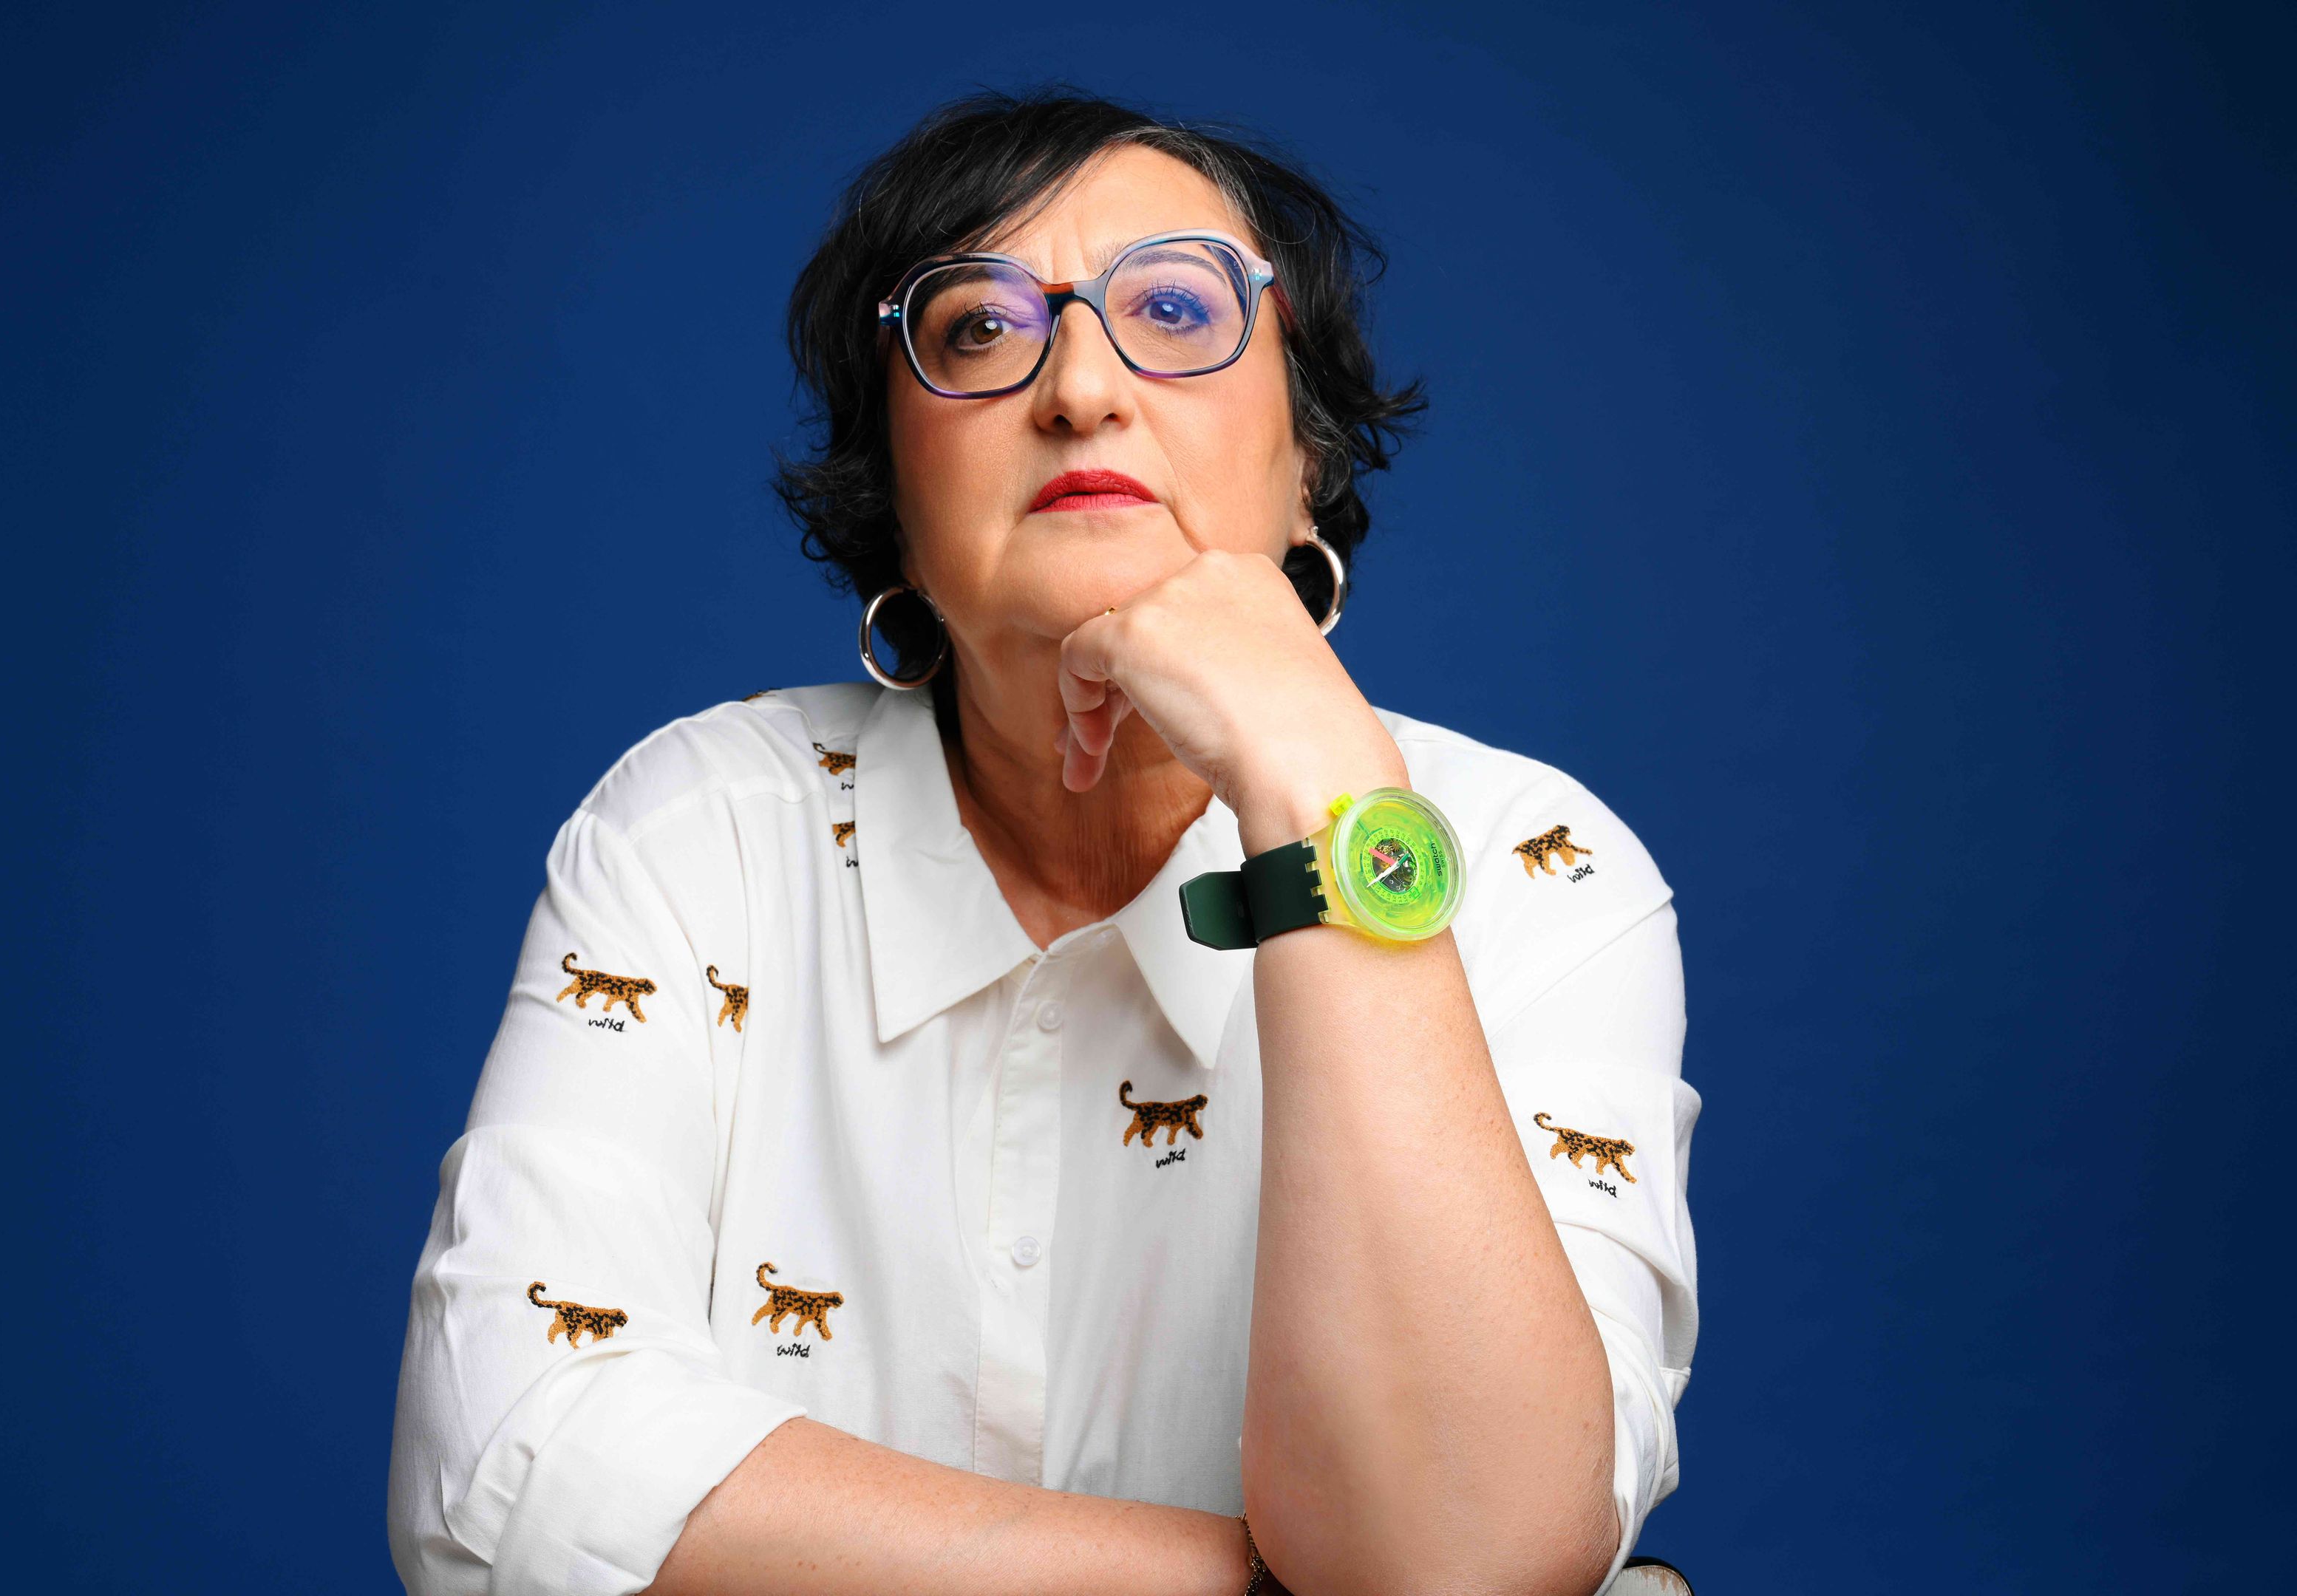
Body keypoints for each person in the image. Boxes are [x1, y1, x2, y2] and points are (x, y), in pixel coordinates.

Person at [388, 89, 1699, 1596]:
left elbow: (1474, 1551)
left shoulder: (1533, 866)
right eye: (980, 331)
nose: (1081, 387)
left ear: (1307, 462)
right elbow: (505, 1469)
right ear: (894, 494)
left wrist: (1322, 787)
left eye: (1176, 309)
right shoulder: (704, 834)